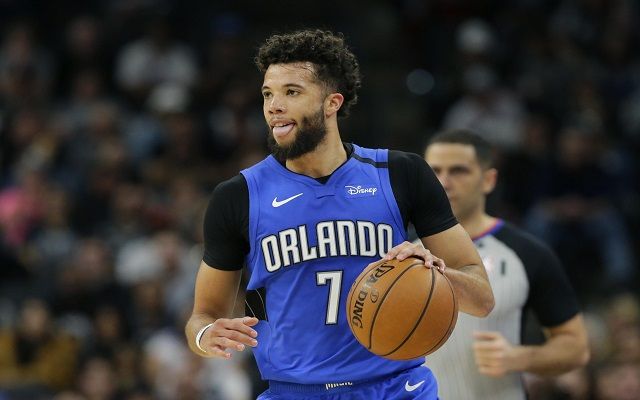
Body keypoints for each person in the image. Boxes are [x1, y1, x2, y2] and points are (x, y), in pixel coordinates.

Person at [185, 30, 494, 400]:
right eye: (268, 94)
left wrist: (433, 274)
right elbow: (202, 316)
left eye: (291, 92)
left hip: (396, 389)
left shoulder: (401, 174)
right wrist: (206, 336)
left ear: (332, 102)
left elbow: (482, 299)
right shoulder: (238, 196)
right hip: (293, 393)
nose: (273, 106)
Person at [423, 129, 590, 400]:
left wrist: (519, 357)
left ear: (488, 180)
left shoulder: (527, 252)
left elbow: (576, 348)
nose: (444, 182)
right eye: (435, 171)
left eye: (459, 171)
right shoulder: (402, 250)